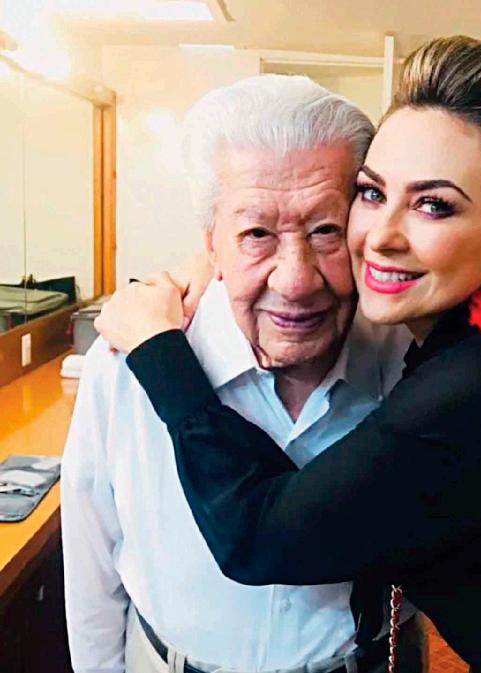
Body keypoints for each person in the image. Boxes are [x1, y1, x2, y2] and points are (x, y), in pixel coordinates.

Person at [96, 36, 481, 671]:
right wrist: (221, 255)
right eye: (373, 193)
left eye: (434, 205)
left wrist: (161, 352)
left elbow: (260, 537)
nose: (381, 237)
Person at [61, 75, 424, 673]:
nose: (296, 280)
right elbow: (91, 558)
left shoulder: (416, 361)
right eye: (257, 233)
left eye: (326, 231)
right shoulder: (126, 362)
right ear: (212, 245)